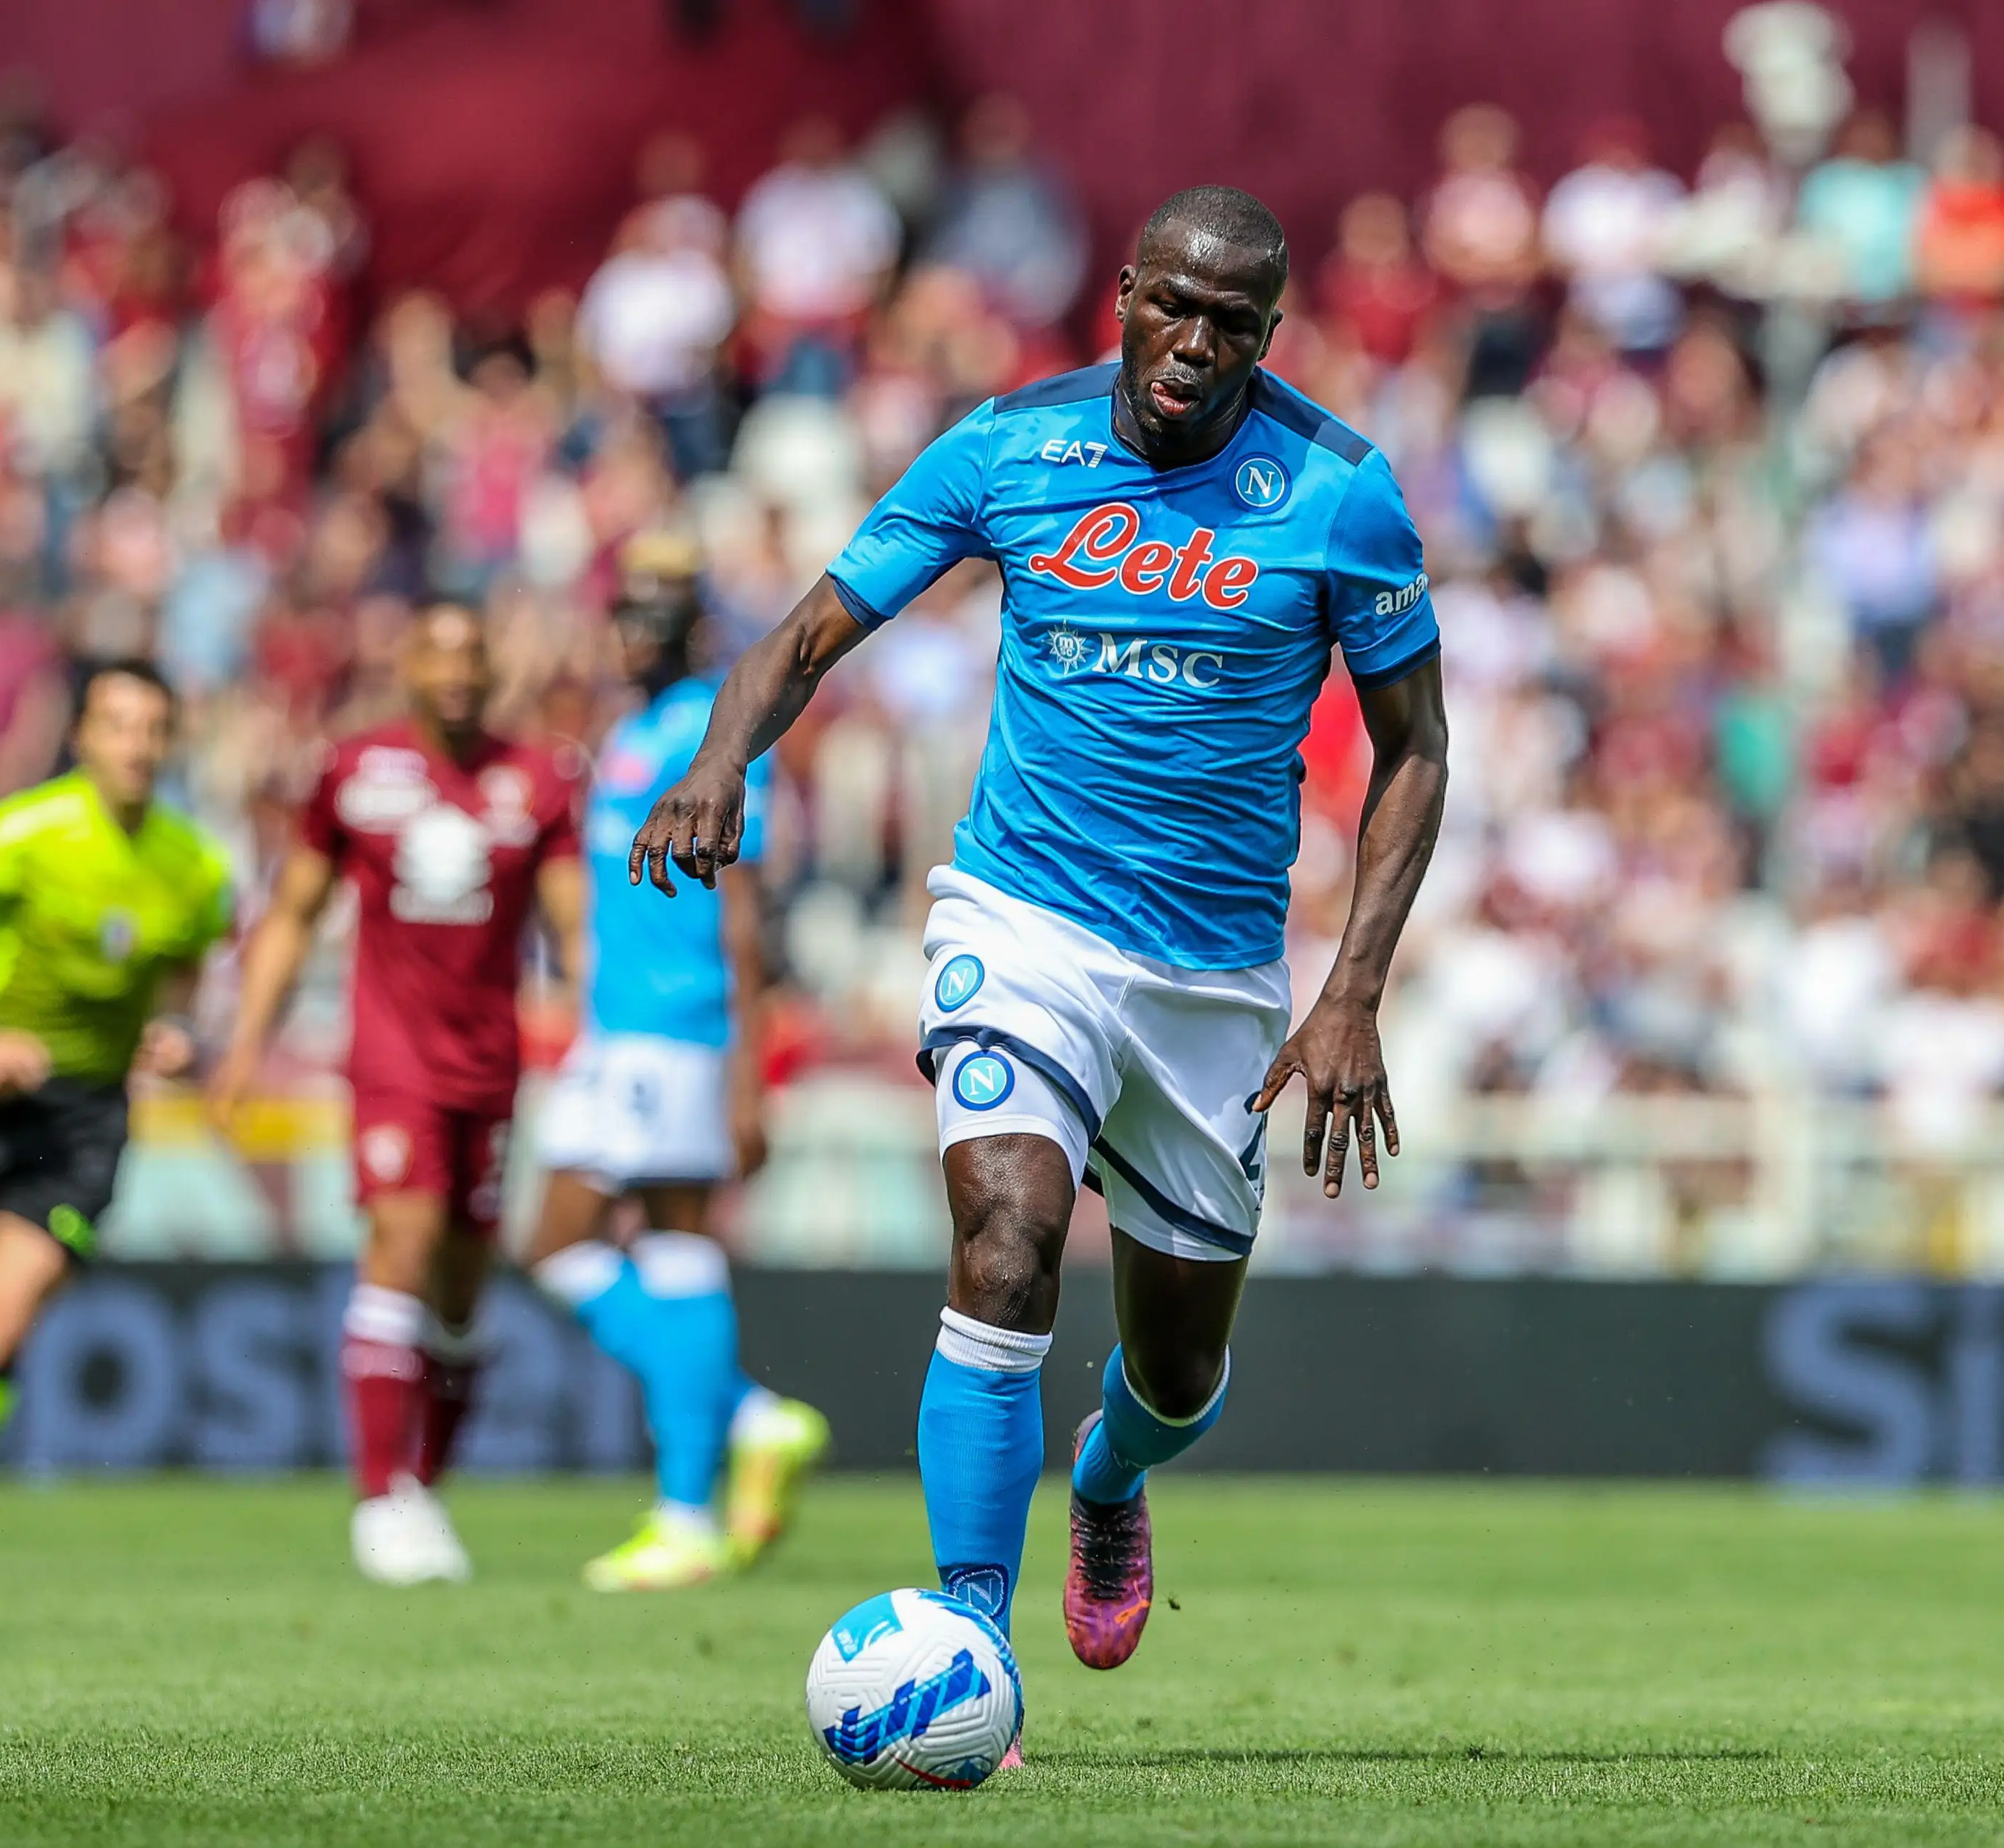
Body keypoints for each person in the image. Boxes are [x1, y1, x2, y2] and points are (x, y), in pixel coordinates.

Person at [632, 189, 1448, 1688]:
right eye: (1174, 307)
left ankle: (1112, 1478)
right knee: (1004, 1248)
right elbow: (810, 627)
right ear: (1124, 291)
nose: (1196, 344)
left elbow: (1417, 753)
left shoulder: (1342, 491)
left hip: (1212, 976)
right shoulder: (1012, 446)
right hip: (1024, 923)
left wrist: (1352, 993)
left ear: (1273, 336)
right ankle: (965, 1642)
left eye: (1235, 324)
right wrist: (718, 763)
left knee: (1183, 1368)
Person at [210, 603, 582, 1585]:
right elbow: (294, 913)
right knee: (402, 1243)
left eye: (475, 653)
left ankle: (421, 1488)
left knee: (463, 1294)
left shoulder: (537, 779)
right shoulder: (355, 771)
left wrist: (592, 1026)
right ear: (408, 663)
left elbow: (573, 926)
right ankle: (378, 1497)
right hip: (390, 1059)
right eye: (441, 653)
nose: (459, 672)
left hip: (490, 1068)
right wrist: (248, 1042)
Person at [0, 659, 233, 1576]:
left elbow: (185, 971)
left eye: (154, 728)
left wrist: (176, 1032)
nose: (137, 746)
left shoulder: (198, 867)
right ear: (85, 737)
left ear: (170, 741)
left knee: (0, 1324)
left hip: (88, 1113)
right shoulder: (18, 833)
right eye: (119, 725)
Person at [523, 534, 830, 1591]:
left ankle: (689, 1513)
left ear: (693, 628)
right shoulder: (627, 734)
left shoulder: (717, 732)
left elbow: (743, 916)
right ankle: (749, 1418)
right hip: (620, 1030)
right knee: (591, 1248)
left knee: (632, 1248)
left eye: (657, 616)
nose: (633, 633)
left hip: (681, 1030)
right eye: (625, 613)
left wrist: (750, 1068)